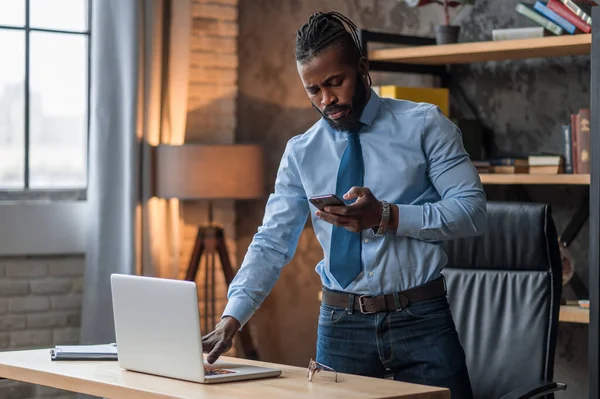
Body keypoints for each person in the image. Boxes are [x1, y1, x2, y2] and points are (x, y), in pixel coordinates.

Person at [202, 11, 486, 399]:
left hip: (421, 318)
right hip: (340, 325)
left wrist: (387, 216)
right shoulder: (301, 152)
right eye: (313, 90)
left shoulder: (424, 125)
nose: (326, 100)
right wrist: (232, 316)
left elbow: (472, 211)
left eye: (336, 83)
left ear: (363, 69)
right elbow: (271, 241)